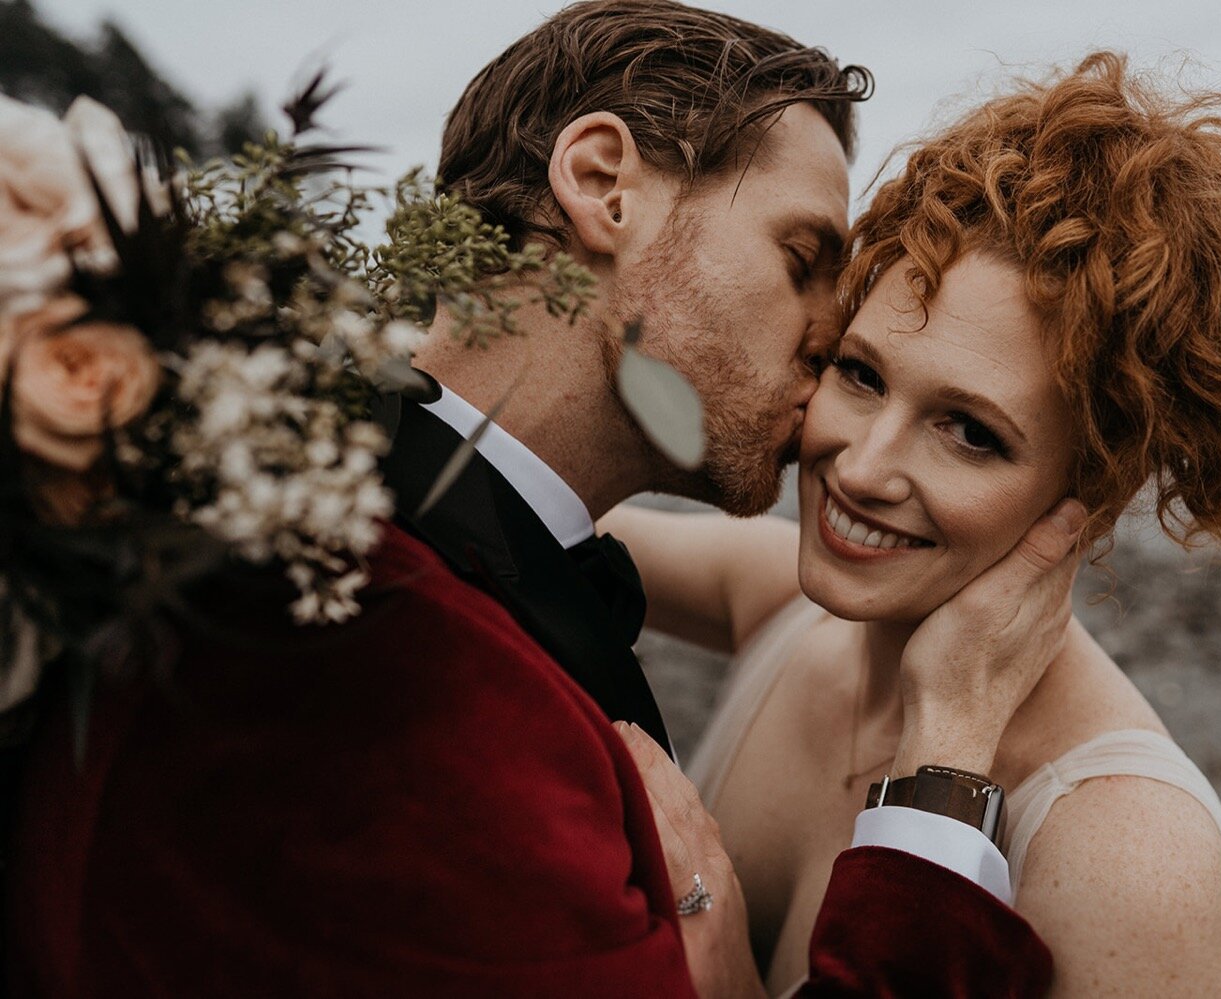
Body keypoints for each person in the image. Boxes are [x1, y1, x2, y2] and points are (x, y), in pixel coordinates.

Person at [5, 2, 1078, 995]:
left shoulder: (320, 501)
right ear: (606, 181)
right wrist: (943, 767)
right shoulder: (401, 673)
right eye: (802, 258)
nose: (828, 332)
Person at [602, 52, 1221, 996]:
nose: (860, 468)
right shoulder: (780, 602)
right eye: (862, 374)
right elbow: (536, 509)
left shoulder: (1129, 857)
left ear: (1095, 488)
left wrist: (722, 966)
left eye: (970, 433)